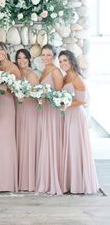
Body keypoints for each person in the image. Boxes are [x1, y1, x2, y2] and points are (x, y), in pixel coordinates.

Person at [59, 50, 99, 194]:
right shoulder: (65, 77)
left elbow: (81, 101)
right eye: (61, 61)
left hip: (76, 115)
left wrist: (67, 104)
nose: (63, 63)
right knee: (69, 147)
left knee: (75, 147)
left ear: (71, 61)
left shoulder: (77, 78)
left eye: (65, 60)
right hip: (67, 115)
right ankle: (70, 182)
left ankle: (79, 184)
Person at [35, 44, 64, 195]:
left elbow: (59, 96)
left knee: (50, 143)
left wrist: (46, 98)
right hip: (44, 112)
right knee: (44, 143)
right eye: (43, 55)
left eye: (48, 55)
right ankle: (45, 178)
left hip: (52, 113)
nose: (45, 57)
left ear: (54, 56)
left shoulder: (56, 71)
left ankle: (53, 180)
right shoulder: (45, 70)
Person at [0, 42, 20, 192]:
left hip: (8, 105)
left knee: (6, 140)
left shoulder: (13, 68)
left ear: (6, 50)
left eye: (1, 50)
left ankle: (7, 181)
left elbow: (18, 90)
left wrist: (8, 87)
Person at [15, 49, 39, 192]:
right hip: (19, 111)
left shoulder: (31, 75)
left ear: (29, 59)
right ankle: (21, 179)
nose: (22, 60)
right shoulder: (19, 74)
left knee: (29, 143)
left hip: (30, 112)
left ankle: (30, 180)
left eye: (24, 58)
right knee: (21, 143)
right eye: (19, 58)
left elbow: (37, 95)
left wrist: (26, 96)